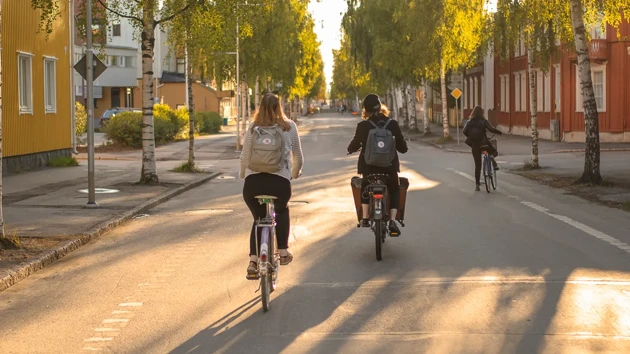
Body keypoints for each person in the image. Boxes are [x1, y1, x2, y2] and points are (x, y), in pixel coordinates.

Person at [240, 93, 304, 277]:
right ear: (279, 106)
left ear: (260, 106)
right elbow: (298, 157)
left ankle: (253, 260)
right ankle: (283, 252)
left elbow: (244, 157)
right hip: (279, 183)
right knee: (281, 210)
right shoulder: (289, 126)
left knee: (258, 219)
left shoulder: (253, 127)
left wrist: (243, 174)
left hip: (253, 184)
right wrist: (293, 174)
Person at [347, 93, 408, 236]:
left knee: (365, 185)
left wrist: (350, 149)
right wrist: (402, 147)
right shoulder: (392, 124)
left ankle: (365, 217)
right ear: (381, 107)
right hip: (389, 167)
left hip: (369, 168)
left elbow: (355, 144)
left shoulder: (363, 126)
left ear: (365, 110)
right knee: (394, 188)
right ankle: (392, 220)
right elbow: (402, 147)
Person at [463, 106, 502, 191]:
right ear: (482, 113)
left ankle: (477, 185)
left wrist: (471, 137)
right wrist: (499, 132)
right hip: (484, 142)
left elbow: (464, 131)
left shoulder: (469, 122)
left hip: (474, 145)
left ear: (473, 112)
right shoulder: (483, 121)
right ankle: (492, 157)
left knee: (478, 165)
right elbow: (491, 129)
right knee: (494, 152)